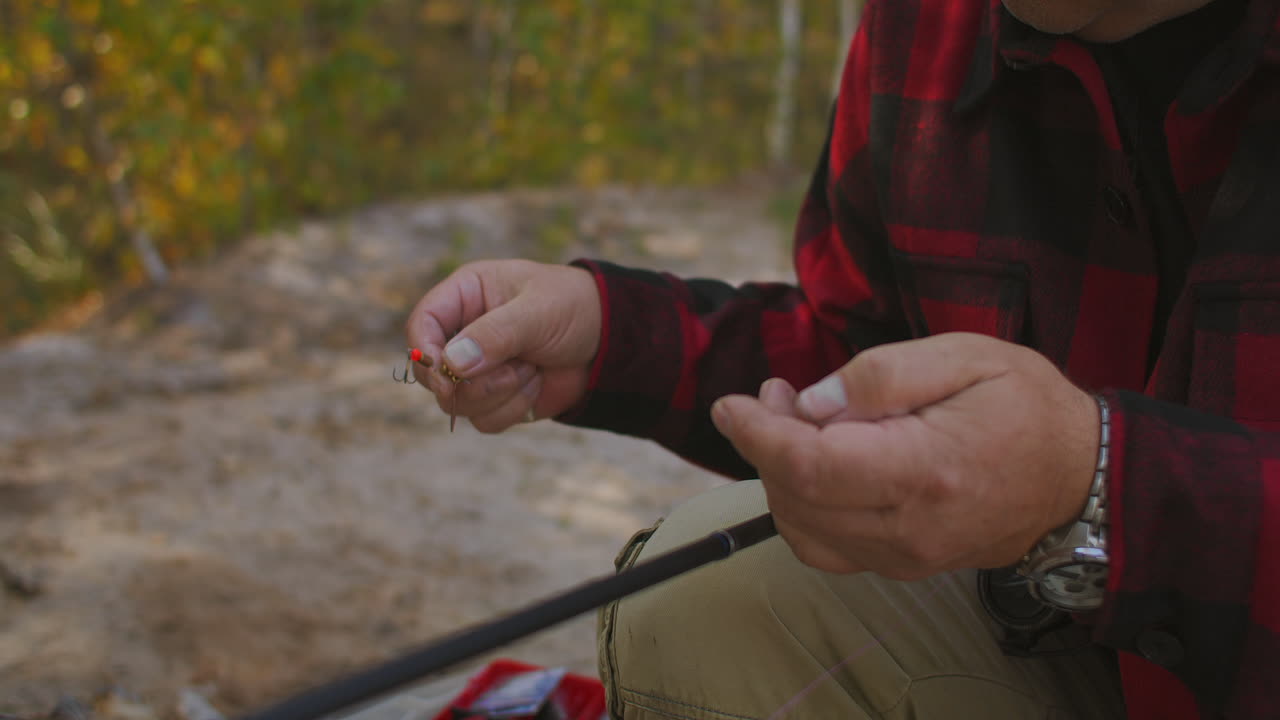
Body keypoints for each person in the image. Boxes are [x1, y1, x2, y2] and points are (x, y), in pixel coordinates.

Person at [405, 0, 1280, 717]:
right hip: (1084, 661)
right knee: (712, 591)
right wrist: (610, 333)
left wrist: (1093, 482)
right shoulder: (924, 27)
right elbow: (862, 356)